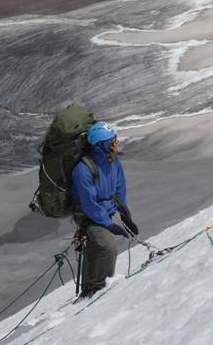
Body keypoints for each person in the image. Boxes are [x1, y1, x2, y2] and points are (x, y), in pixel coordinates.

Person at [71, 121, 139, 297]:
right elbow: (89, 204)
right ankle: (100, 290)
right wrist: (109, 224)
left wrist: (124, 216)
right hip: (88, 216)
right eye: (111, 141)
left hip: (104, 212)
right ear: (101, 145)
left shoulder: (113, 162)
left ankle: (89, 287)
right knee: (108, 247)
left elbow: (119, 190)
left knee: (95, 249)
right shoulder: (82, 170)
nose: (116, 143)